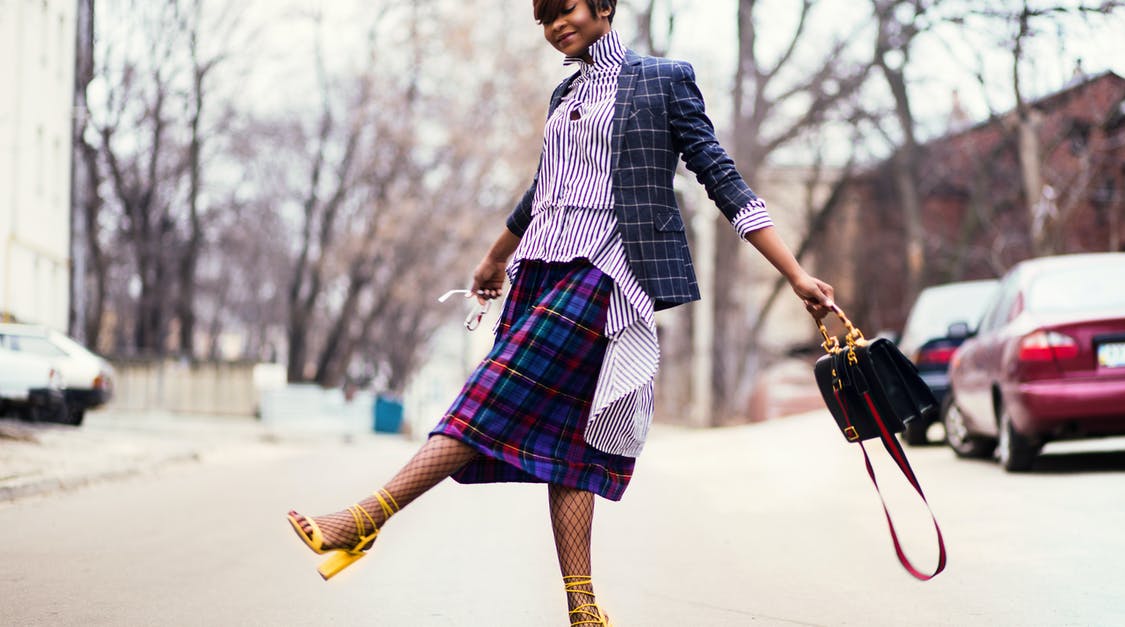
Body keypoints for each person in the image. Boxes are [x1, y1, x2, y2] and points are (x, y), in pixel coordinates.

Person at [287, 1, 835, 624]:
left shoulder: (663, 80)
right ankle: (584, 610)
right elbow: (542, 189)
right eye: (544, 19)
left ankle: (365, 518)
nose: (555, 26)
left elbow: (721, 177)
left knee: (486, 396)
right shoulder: (563, 95)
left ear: (603, 5)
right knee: (571, 445)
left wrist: (793, 273)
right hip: (540, 272)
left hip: (604, 274)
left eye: (565, 8)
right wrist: (495, 258)